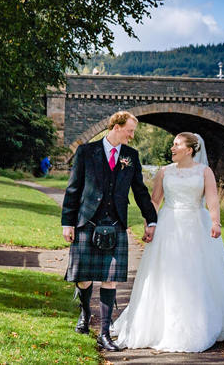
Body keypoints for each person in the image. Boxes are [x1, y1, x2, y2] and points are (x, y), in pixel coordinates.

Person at [111, 132, 224, 352]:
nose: (172, 147)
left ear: (189, 149)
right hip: (168, 226)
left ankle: (196, 325)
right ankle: (158, 325)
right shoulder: (164, 172)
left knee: (194, 273)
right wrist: (150, 224)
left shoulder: (204, 172)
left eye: (177, 144)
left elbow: (212, 199)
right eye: (173, 144)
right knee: (164, 272)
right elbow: (155, 200)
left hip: (195, 227)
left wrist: (215, 222)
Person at [61, 111, 158, 352]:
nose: (132, 135)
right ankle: (85, 315)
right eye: (130, 130)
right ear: (116, 127)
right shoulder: (86, 151)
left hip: (115, 223)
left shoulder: (131, 156)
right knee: (83, 279)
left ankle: (104, 333)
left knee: (110, 278)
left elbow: (140, 190)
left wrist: (151, 219)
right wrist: (68, 222)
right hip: (87, 221)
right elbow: (74, 188)